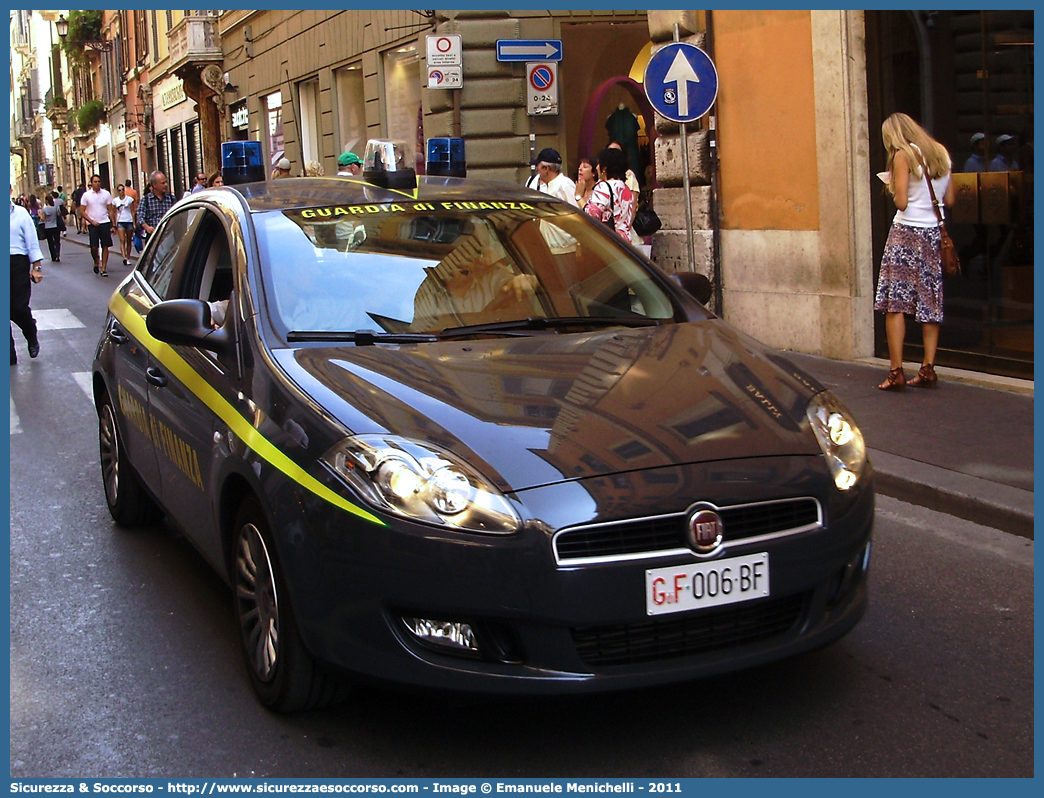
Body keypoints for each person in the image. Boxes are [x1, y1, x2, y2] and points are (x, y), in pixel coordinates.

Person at [873, 112, 956, 392]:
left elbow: (902, 202)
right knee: (929, 299)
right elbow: (951, 198)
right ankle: (928, 368)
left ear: (893, 136)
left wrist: (892, 185)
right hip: (933, 233)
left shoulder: (902, 155)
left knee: (895, 302)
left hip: (906, 233)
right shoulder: (940, 153)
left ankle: (896, 372)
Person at [10, 187, 44, 364]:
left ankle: (30, 331)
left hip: (17, 262)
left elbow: (32, 240)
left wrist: (36, 266)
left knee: (17, 307)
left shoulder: (21, 214)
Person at [584, 146, 636, 242]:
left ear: (604, 168)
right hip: (625, 242)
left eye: (599, 164)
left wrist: (579, 197)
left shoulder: (603, 187)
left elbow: (591, 215)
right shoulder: (625, 188)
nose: (597, 167)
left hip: (608, 241)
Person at [79, 174, 116, 277]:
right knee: (94, 247)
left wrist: (113, 224)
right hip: (93, 224)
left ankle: (103, 268)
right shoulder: (86, 195)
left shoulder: (106, 194)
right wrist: (91, 221)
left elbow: (110, 210)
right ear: (91, 183)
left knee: (105, 245)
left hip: (104, 222)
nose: (97, 183)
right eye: (95, 182)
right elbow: (82, 211)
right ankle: (96, 261)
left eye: (99, 181)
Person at [136, 171, 175, 250]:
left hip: (168, 237)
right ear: (154, 185)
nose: (166, 185)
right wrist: (147, 227)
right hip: (153, 238)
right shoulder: (146, 200)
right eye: (163, 183)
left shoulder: (171, 199)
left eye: (166, 182)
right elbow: (140, 217)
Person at [112, 183, 136, 266]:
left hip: (129, 220)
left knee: (129, 240)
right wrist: (114, 223)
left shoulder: (130, 199)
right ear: (117, 192)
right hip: (120, 221)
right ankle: (124, 257)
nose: (121, 191)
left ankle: (128, 256)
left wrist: (134, 222)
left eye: (123, 189)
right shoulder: (115, 201)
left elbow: (133, 211)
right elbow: (114, 212)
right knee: (122, 240)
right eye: (119, 190)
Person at [39, 194, 62, 263]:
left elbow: (43, 219)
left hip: (47, 227)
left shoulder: (44, 209)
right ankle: (57, 253)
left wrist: (40, 215)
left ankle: (53, 256)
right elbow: (59, 214)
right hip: (55, 226)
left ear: (46, 201)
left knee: (50, 242)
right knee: (57, 241)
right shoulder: (55, 208)